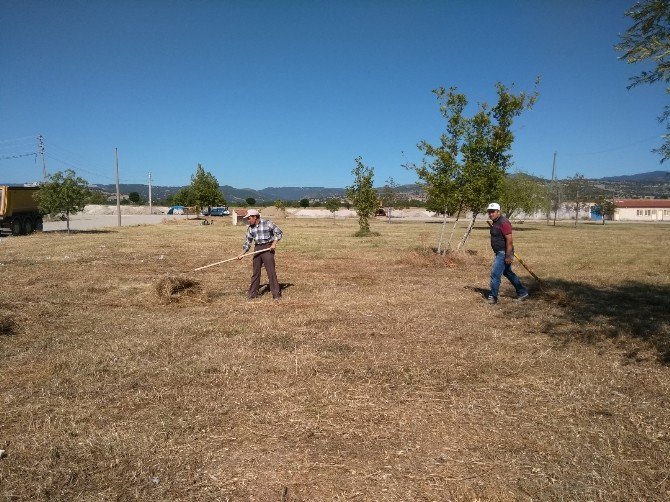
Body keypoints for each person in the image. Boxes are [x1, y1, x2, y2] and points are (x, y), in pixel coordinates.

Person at [485, 202, 529, 304]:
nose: (491, 214)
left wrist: (508, 255)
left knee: (495, 274)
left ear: (498, 212)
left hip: (504, 252)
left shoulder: (504, 222)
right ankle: (522, 293)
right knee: (507, 272)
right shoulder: (495, 222)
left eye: (493, 212)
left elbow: (509, 240)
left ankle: (493, 297)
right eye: (489, 212)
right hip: (499, 252)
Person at [237, 209, 283, 299]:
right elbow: (248, 242)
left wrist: (273, 244)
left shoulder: (267, 223)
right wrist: (241, 253)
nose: (248, 220)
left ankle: (276, 294)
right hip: (257, 248)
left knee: (271, 271)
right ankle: (252, 293)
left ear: (255, 217)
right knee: (255, 272)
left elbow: (279, 233)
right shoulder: (250, 228)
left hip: (268, 247)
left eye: (249, 218)